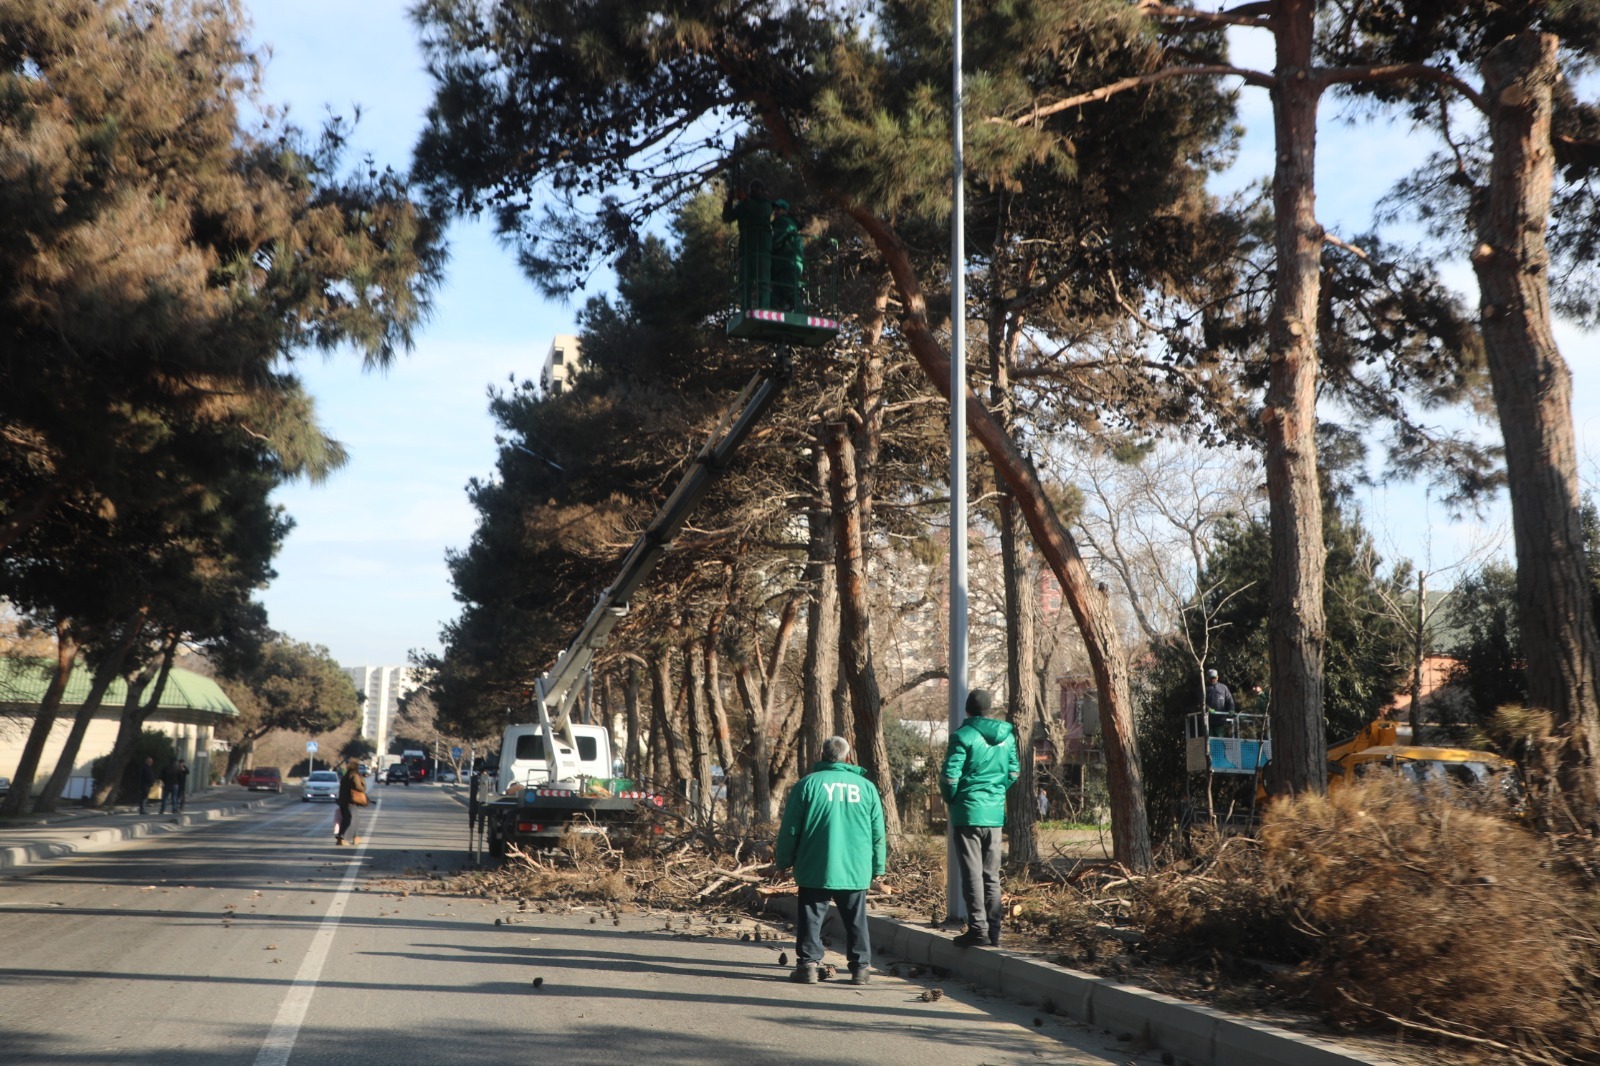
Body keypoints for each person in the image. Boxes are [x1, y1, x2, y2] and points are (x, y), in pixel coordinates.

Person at [774, 735, 887, 985]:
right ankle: (860, 969)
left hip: (816, 865)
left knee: (811, 917)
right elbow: (878, 832)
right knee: (856, 919)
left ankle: (808, 966)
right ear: (847, 757)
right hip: (855, 867)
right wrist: (879, 866)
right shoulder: (866, 787)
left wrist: (782, 862)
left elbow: (790, 828)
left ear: (823, 755)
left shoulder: (807, 785)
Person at [942, 689, 1020, 948]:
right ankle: (994, 932)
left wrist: (953, 799)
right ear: (989, 709)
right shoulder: (1007, 738)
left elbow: (950, 777)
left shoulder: (962, 736)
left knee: (972, 874)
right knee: (991, 874)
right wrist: (996, 793)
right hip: (994, 814)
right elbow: (1013, 772)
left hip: (968, 812)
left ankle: (978, 930)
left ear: (967, 709)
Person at [722, 179, 773, 309]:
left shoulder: (766, 204)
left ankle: (764, 308)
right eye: (752, 187)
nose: (754, 189)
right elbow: (727, 218)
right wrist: (729, 201)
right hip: (746, 248)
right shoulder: (743, 206)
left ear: (762, 191)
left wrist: (745, 200)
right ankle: (745, 308)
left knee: (763, 280)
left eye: (757, 187)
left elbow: (761, 212)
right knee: (744, 282)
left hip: (761, 246)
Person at [769, 199, 804, 311]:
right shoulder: (784, 223)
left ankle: (800, 316)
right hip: (784, 264)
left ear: (784, 211)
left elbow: (776, 241)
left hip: (788, 263)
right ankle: (776, 314)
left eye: (778, 209)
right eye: (774, 209)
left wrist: (765, 246)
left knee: (790, 291)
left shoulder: (784, 222)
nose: (775, 211)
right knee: (777, 295)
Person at [335, 756, 368, 846]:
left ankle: (353, 837)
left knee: (351, 819)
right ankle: (344, 838)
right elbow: (358, 787)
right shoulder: (354, 775)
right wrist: (363, 787)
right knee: (351, 820)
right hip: (350, 801)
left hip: (343, 801)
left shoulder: (346, 775)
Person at [1205, 668, 1236, 735]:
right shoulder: (1204, 688)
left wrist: (1231, 709)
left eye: (1214, 678)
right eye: (1211, 678)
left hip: (1220, 721)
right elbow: (1201, 702)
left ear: (1217, 677)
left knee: (1219, 741)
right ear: (1207, 678)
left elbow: (1229, 700)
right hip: (1208, 721)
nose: (1213, 679)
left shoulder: (1223, 688)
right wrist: (1208, 708)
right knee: (1209, 741)